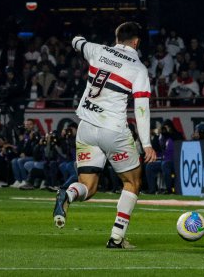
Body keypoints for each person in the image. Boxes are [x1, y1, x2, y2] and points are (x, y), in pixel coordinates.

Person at [52, 22, 156, 249]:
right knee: (133, 181)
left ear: (116, 37)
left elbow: (76, 41)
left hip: (86, 127)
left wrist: (79, 40)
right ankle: (117, 237)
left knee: (87, 186)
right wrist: (146, 144)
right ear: (136, 42)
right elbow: (141, 109)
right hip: (113, 130)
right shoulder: (138, 69)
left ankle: (67, 195)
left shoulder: (97, 50)